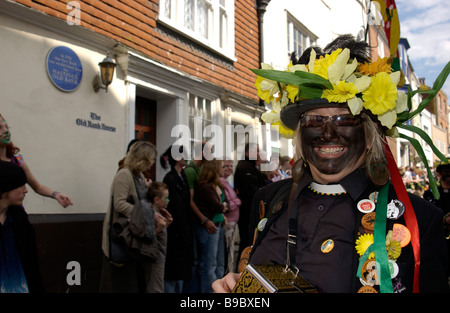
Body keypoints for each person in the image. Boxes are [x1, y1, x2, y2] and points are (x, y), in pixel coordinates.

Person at [213, 35, 449, 293]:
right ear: (300, 134)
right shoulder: (267, 200)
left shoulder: (418, 221)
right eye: (314, 120)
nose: (327, 133)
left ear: (371, 136)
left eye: (344, 119)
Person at [100, 140, 165, 292]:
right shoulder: (124, 174)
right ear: (144, 158)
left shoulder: (140, 176)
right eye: (152, 159)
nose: (153, 163)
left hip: (134, 236)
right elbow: (120, 204)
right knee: (120, 282)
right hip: (121, 235)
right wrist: (147, 214)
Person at [0, 113, 72, 208]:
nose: (6, 131)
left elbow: (37, 187)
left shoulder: (17, 161)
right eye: (0, 128)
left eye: (7, 127)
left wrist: (55, 194)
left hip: (15, 217)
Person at [0, 161, 44, 292]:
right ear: (5, 188)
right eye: (21, 185)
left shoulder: (20, 219)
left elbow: (32, 266)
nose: (26, 190)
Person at [160, 145, 194, 293]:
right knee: (173, 272)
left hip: (183, 232)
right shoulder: (170, 178)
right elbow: (177, 208)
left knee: (181, 273)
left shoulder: (182, 176)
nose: (186, 157)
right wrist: (185, 232)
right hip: (176, 232)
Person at [194, 159, 228, 292]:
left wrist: (223, 206)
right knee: (209, 265)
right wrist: (222, 206)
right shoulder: (205, 186)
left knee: (220, 263)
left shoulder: (217, 185)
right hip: (210, 228)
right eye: (222, 166)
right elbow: (217, 206)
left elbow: (227, 203)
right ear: (214, 169)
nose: (223, 168)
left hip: (220, 225)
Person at [234, 143, 266, 256]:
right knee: (247, 243)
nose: (258, 154)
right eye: (256, 151)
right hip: (247, 213)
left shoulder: (251, 167)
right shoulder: (245, 167)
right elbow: (252, 191)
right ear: (248, 152)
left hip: (251, 212)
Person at [424, 162, 450, 279]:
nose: (448, 175)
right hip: (439, 237)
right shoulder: (431, 194)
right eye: (445, 172)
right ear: (439, 175)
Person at [145, 181, 173, 293]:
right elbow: (148, 237)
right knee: (155, 289)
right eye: (166, 198)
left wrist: (166, 225)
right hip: (154, 258)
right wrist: (160, 228)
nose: (168, 201)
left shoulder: (160, 213)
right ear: (156, 200)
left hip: (160, 256)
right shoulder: (151, 215)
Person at [220, 159, 241, 273]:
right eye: (225, 166)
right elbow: (226, 203)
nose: (229, 168)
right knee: (228, 254)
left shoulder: (226, 182)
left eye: (231, 166)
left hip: (232, 223)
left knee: (230, 253)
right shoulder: (221, 182)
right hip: (227, 222)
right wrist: (237, 202)